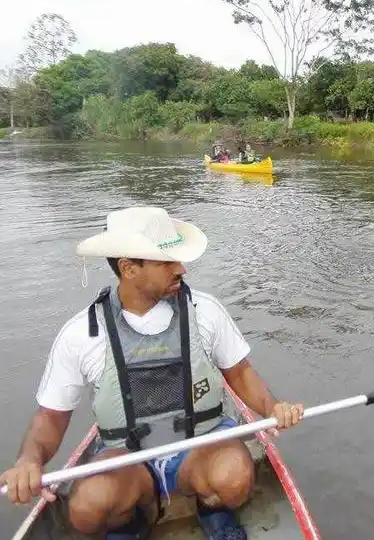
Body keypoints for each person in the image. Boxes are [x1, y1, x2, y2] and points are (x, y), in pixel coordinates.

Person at [0, 206, 304, 539]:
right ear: (129, 269)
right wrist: (30, 460)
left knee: (234, 477)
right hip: (128, 460)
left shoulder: (206, 311)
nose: (181, 269)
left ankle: (213, 509)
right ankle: (133, 518)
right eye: (166, 262)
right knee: (86, 508)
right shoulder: (82, 334)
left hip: (201, 447)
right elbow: (52, 416)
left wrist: (273, 408)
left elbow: (241, 373)